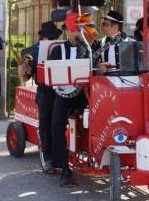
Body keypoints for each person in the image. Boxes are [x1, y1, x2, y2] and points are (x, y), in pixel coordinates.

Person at [48, 12, 90, 187]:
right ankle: (63, 167)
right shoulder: (57, 50)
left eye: (80, 31)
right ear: (67, 32)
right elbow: (51, 73)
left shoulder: (86, 49)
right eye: (74, 31)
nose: (77, 34)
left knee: (93, 120)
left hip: (82, 95)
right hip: (62, 95)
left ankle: (91, 156)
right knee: (56, 125)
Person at [18, 21, 62, 174]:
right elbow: (25, 78)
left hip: (63, 88)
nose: (51, 40)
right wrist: (23, 69)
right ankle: (47, 157)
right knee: (45, 123)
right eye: (49, 37)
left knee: (59, 123)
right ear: (42, 37)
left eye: (53, 37)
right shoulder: (30, 51)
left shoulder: (62, 47)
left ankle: (63, 155)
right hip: (45, 90)